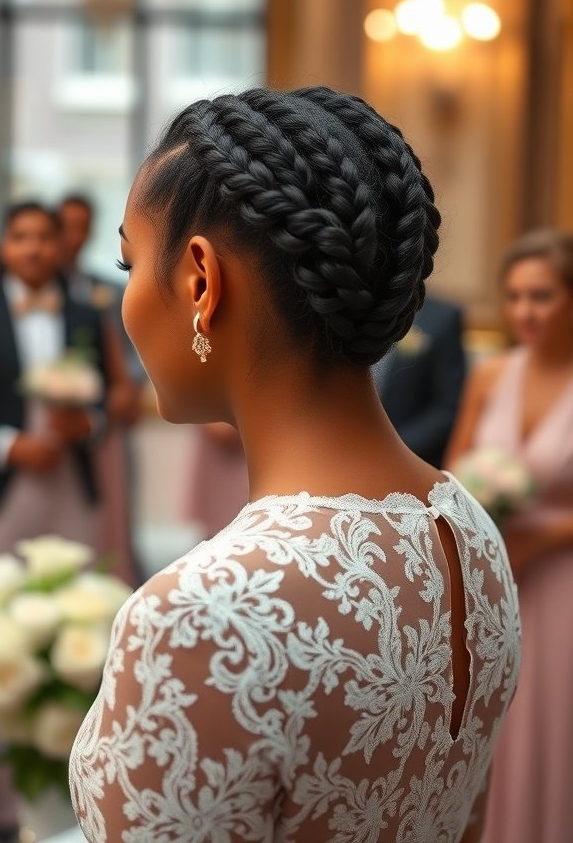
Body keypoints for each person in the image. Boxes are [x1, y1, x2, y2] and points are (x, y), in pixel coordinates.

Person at [69, 87, 520, 843]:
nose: (124, 297)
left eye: (129, 260)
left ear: (201, 282)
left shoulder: (200, 615)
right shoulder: (470, 533)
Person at [446, 228, 573, 843]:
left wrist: (544, 539)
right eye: (515, 296)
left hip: (563, 581)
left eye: (542, 296)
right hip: (496, 581)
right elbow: (450, 475)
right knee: (496, 718)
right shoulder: (490, 377)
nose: (524, 311)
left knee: (556, 724)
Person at [0, 201, 110, 842]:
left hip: (70, 482)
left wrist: (86, 425)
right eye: (22, 237)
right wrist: (10, 445)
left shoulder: (82, 307)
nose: (36, 248)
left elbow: (109, 404)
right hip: (10, 484)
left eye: (44, 237)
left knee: (77, 619)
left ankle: (71, 795)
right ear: (4, 247)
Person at [58, 193, 144, 585]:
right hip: (58, 431)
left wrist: (123, 390)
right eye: (66, 226)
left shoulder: (107, 289)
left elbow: (132, 352)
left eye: (83, 226)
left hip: (106, 424)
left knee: (112, 519)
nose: (74, 237)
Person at [373, 294, 466, 466]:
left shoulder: (442, 318)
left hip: (411, 459)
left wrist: (393, 450)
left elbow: (447, 407)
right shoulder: (345, 308)